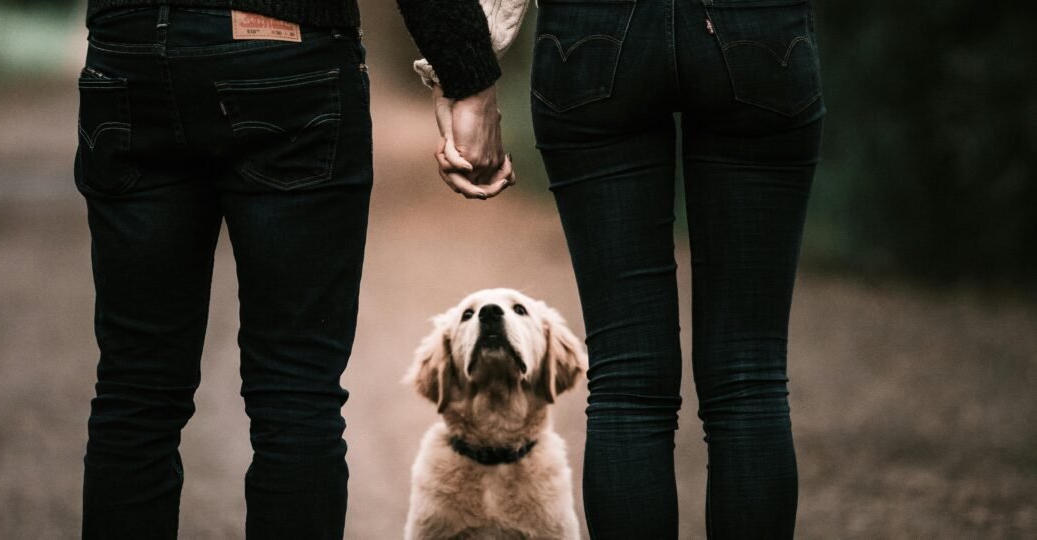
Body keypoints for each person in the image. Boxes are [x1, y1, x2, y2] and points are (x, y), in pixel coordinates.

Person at [75, 0, 510, 538]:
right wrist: (466, 75)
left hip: (128, 47)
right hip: (287, 49)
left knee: (135, 392)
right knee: (295, 391)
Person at [433, 0, 825, 537]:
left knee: (626, 379)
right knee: (749, 375)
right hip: (758, 28)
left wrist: (468, 69)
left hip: (593, 33)